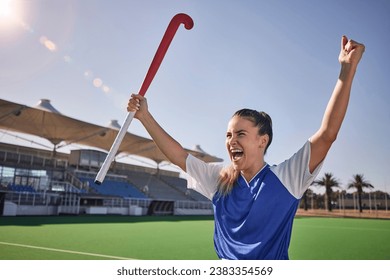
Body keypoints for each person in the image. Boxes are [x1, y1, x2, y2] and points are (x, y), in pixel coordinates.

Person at [127, 35, 365, 260]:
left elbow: (326, 135)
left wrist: (347, 69)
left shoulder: (287, 178)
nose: (232, 141)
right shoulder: (220, 180)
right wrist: (145, 117)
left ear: (263, 140)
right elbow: (179, 155)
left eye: (241, 134)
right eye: (228, 135)